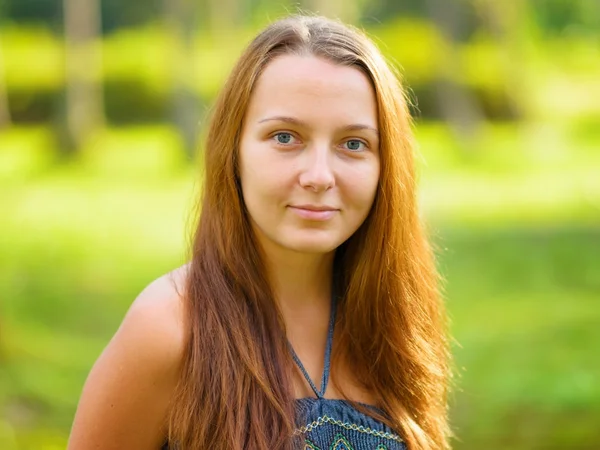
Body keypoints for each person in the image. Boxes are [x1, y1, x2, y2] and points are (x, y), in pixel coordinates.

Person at [67, 14, 450, 450]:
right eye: (286, 137)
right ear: (233, 151)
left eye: (353, 144)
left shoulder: (393, 321)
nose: (319, 175)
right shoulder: (169, 329)